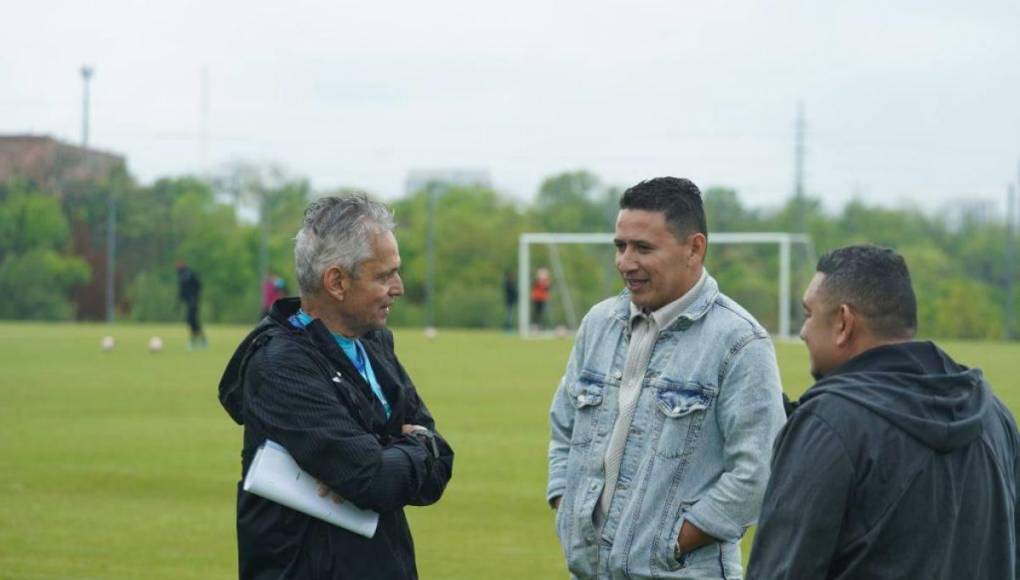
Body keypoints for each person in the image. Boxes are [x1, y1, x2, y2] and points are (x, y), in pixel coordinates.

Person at [547, 177, 786, 579]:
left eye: (643, 248)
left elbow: (759, 469)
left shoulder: (740, 342)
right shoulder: (598, 324)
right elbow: (564, 428)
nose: (625, 261)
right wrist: (565, 507)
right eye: (620, 246)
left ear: (694, 248)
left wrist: (668, 543)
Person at [217, 194, 455, 580]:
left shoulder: (374, 343)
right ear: (337, 282)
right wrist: (404, 447)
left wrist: (399, 451)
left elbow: (440, 460)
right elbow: (373, 480)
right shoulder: (280, 366)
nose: (399, 287)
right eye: (384, 276)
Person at [747, 245, 1020, 579]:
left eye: (808, 314)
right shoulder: (994, 415)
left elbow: (782, 571)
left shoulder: (829, 423)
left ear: (844, 322)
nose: (803, 331)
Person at [176, 259, 206, 349]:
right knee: (191, 321)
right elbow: (182, 290)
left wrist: (194, 298)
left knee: (193, 321)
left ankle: (198, 340)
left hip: (193, 302)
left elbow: (198, 286)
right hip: (189, 303)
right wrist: (179, 301)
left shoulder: (189, 274)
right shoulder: (182, 275)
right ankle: (197, 340)